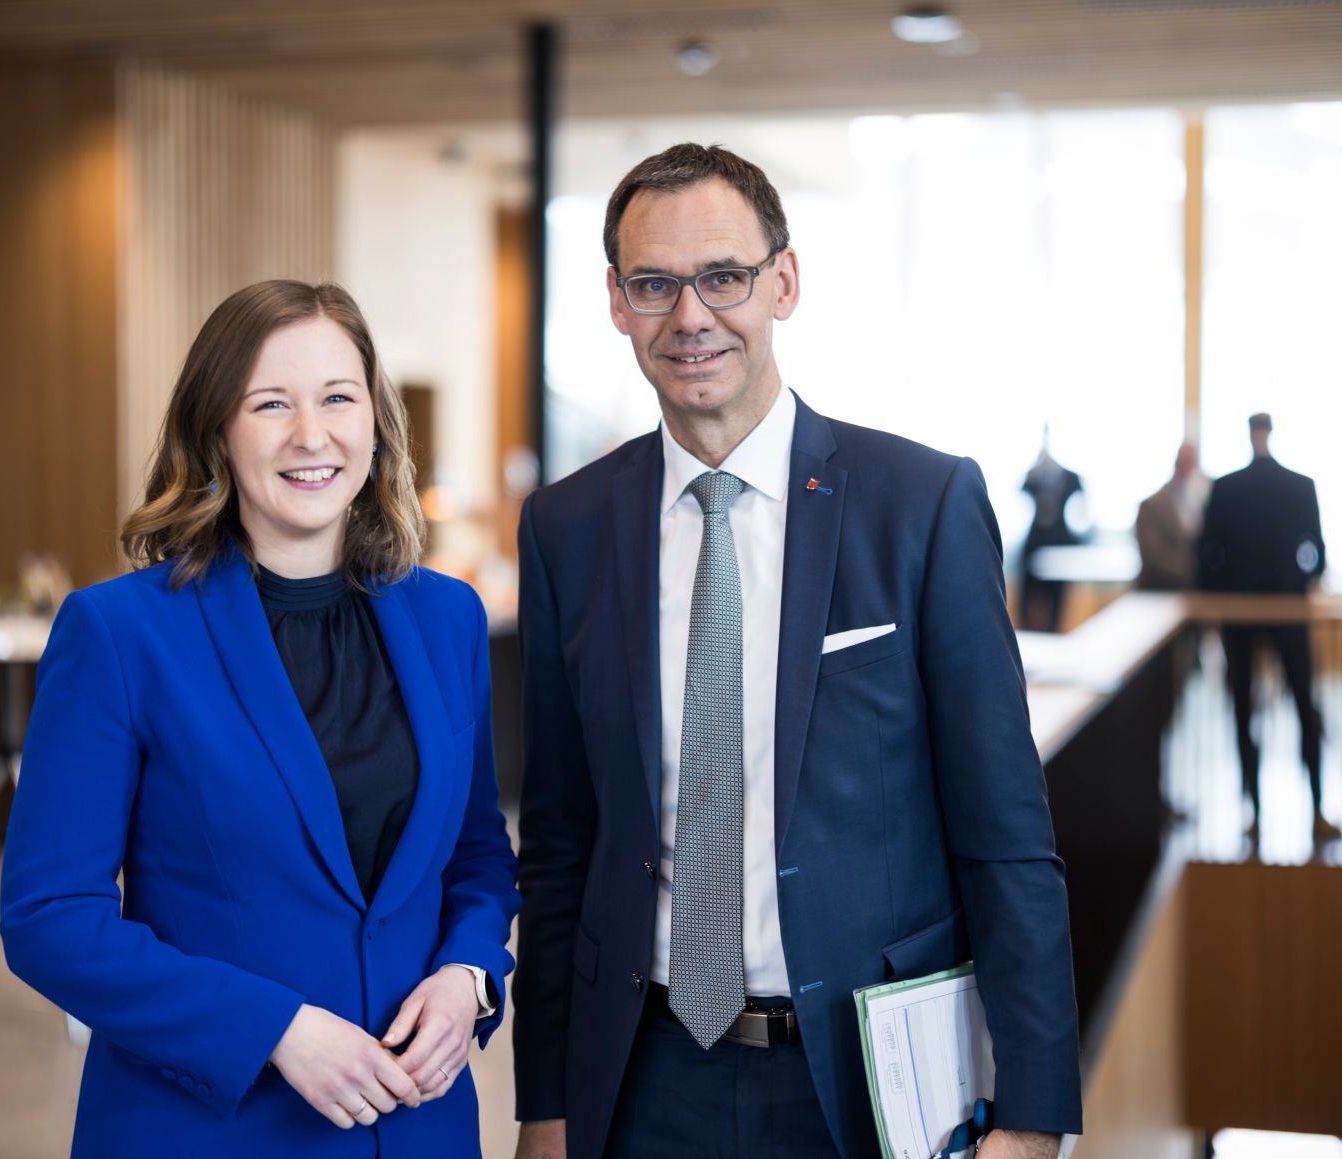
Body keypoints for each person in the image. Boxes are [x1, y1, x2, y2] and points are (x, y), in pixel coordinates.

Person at [512, 144, 1081, 1159]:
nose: (689, 316)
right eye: (653, 284)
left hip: (862, 1082)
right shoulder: (567, 526)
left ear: (783, 281)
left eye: (722, 277)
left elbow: (1004, 836)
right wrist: (544, 1106)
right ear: (614, 300)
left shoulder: (920, 505)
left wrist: (1033, 1118)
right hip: (639, 1078)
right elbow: (559, 844)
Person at [0, 280, 520, 1157]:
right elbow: (50, 916)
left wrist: (470, 975)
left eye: (338, 398)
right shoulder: (122, 633)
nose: (311, 435)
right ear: (217, 432)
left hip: (419, 1123)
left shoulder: (447, 618)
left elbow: (474, 855)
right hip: (211, 1124)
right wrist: (275, 1027)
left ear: (375, 422)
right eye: (270, 403)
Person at [1195, 411, 1337, 844]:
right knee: (1300, 707)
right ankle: (1315, 810)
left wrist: (1231, 590)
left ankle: (1255, 813)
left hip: (1243, 615)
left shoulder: (1227, 488)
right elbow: (1317, 553)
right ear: (1268, 432)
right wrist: (1293, 582)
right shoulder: (1298, 485)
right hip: (1285, 610)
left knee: (1246, 711)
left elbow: (1207, 557)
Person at [1018, 427, 1084, 632]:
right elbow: (1020, 492)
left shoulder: (1070, 477)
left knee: (1058, 600)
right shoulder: (1034, 475)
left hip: (1060, 542)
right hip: (1035, 543)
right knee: (1027, 597)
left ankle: (1055, 632)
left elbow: (1082, 511)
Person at [1135, 442, 1209, 591]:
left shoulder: (1197, 501)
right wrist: (1191, 571)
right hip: (1158, 590)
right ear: (1176, 461)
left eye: (1191, 462)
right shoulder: (1152, 505)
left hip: (1191, 589)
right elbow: (1153, 556)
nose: (1188, 467)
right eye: (1184, 461)